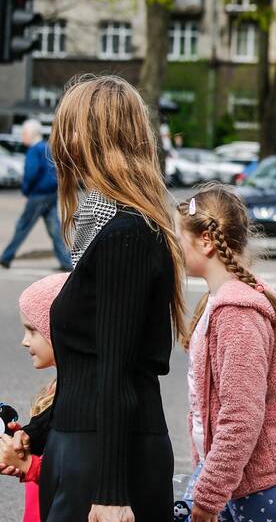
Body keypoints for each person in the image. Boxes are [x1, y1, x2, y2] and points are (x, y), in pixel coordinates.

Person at [9, 75, 186, 522]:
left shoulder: (127, 233)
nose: (58, 142)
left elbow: (116, 368)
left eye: (66, 128)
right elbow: (86, 368)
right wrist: (38, 431)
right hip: (81, 447)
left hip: (107, 465)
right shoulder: (103, 228)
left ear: (90, 137)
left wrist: (111, 492)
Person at [178, 185, 276, 521]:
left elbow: (241, 417)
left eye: (179, 237)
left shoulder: (237, 314)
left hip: (255, 488)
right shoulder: (216, 302)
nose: (173, 246)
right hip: (226, 478)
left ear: (205, 241)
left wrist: (206, 500)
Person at [0, 273, 68, 522]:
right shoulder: (55, 388)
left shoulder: (78, 401)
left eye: (32, 330)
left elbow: (74, 477)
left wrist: (27, 465)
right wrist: (23, 441)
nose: (24, 341)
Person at [0, 120, 71, 271]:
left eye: (24, 133)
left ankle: (6, 257)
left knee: (23, 226)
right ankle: (66, 262)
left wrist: (25, 190)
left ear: (31, 134)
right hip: (51, 194)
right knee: (54, 229)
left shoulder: (34, 150)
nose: (23, 137)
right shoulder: (47, 147)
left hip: (38, 195)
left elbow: (31, 173)